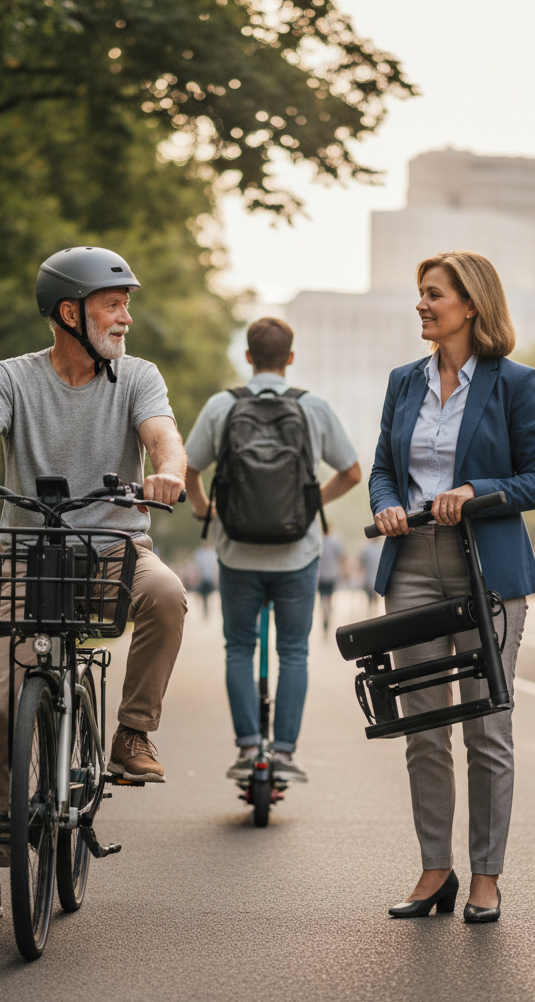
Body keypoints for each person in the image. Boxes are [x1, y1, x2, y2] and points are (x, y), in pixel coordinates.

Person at [0, 246, 188, 925]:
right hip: (26, 557)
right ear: (69, 313)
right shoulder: (13, 378)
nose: (126, 315)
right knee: (0, 711)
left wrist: (169, 471)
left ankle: (132, 734)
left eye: (127, 302)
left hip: (114, 551)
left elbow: (165, 437)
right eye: (113, 303)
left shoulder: (138, 378)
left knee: (166, 594)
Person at [369, 251, 535, 923]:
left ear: (470, 305)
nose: (422, 305)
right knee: (423, 729)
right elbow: (384, 469)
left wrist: (477, 491)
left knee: (486, 728)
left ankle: (485, 876)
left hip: (489, 572)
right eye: (420, 295)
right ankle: (433, 871)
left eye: (433, 295)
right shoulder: (403, 382)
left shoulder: (514, 383)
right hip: (412, 567)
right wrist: (389, 503)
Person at [184, 317, 361, 783]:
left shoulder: (222, 406)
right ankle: (282, 752)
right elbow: (352, 473)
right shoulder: (313, 407)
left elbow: (188, 468)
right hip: (297, 553)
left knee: (239, 648)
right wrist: (310, 504)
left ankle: (246, 748)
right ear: (290, 358)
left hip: (236, 550)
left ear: (247, 357)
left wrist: (207, 512)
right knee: (294, 651)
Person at [317, 532, 345, 632]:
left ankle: (324, 612)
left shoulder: (318, 540)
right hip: (332, 575)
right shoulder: (335, 542)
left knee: (322, 597)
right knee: (329, 597)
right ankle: (328, 612)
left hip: (320, 575)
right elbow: (341, 557)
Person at [193, 543, 219, 618]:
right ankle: (205, 610)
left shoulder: (212, 553)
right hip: (203, 578)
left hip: (208, 578)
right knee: (204, 596)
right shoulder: (200, 553)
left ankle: (207, 610)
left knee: (207, 596)